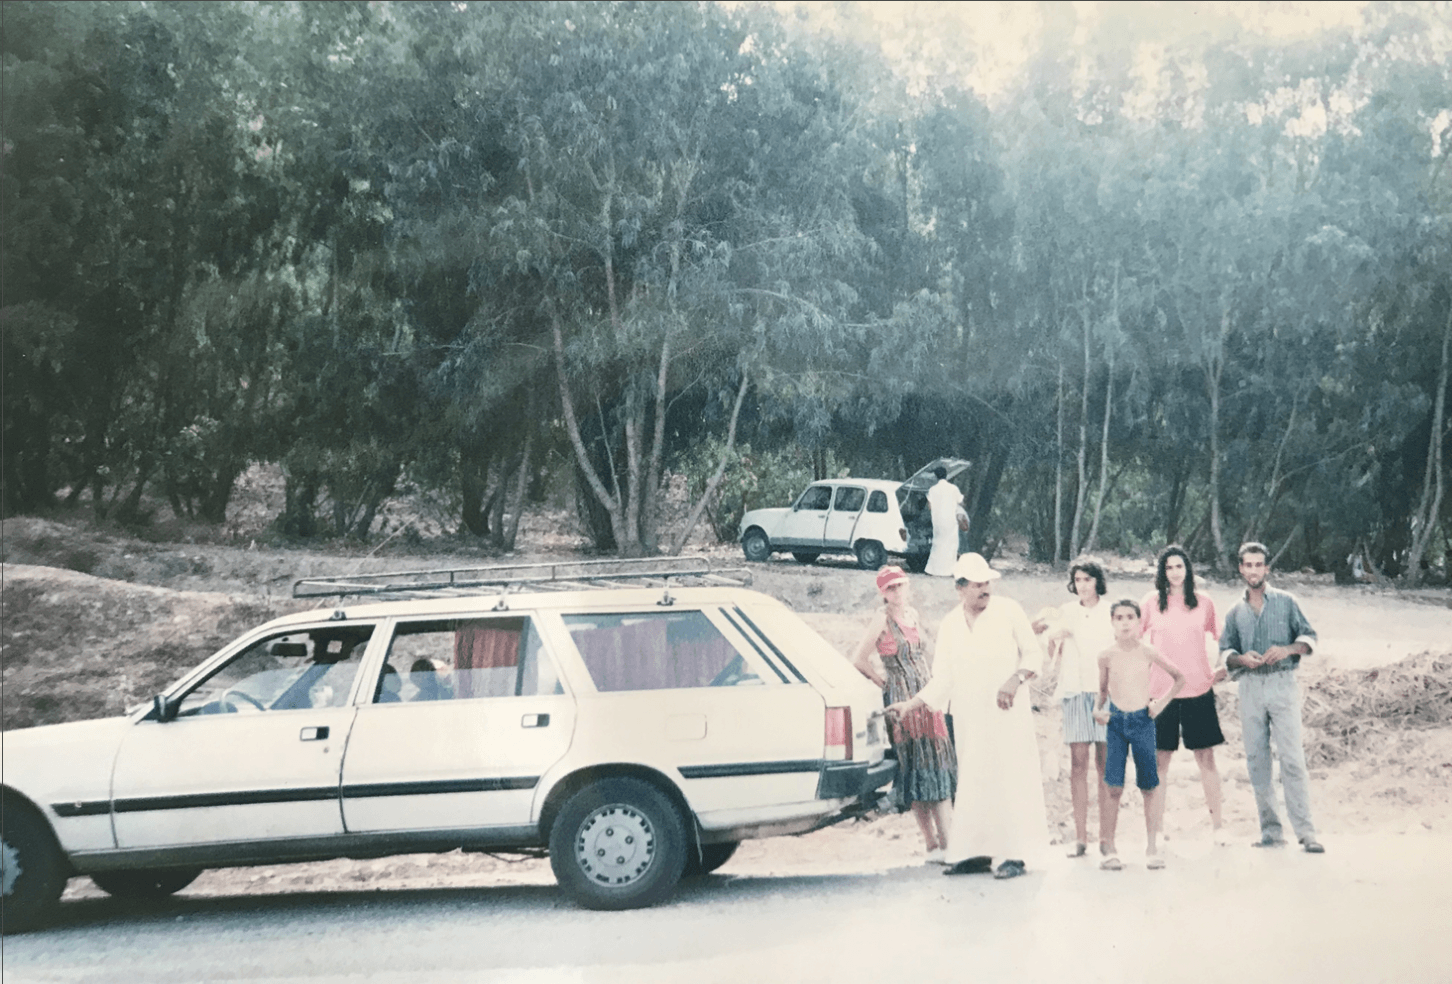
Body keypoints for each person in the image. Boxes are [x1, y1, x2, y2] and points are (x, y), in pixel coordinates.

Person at [887, 553, 1048, 880]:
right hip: (970, 718)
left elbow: (1033, 654)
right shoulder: (950, 624)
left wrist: (1015, 680)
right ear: (960, 588)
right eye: (977, 584)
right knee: (975, 781)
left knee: (1010, 780)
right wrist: (910, 705)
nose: (984, 589)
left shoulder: (1009, 611)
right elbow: (942, 677)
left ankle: (1013, 855)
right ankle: (976, 854)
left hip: (1007, 715)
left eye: (987, 582)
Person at [1221, 542, 1324, 853]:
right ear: (1240, 569)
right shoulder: (1234, 612)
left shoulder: (1287, 602)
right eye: (1247, 565)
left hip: (1282, 685)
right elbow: (1226, 652)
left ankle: (1306, 833)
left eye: (1259, 565)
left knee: (1292, 759)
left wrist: (1288, 650)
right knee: (1257, 761)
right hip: (1250, 688)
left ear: (1267, 568)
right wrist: (1242, 659)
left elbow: (1309, 637)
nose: (1253, 570)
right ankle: (1271, 832)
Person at [850, 566, 956, 863]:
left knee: (938, 761)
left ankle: (948, 841)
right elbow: (859, 659)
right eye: (890, 588)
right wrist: (884, 682)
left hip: (925, 693)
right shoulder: (881, 620)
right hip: (901, 697)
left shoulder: (913, 615)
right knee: (915, 768)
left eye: (900, 586)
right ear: (882, 593)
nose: (896, 592)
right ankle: (933, 844)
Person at [1140, 545, 1227, 843]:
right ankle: (1158, 829)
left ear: (1188, 569)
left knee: (1206, 759)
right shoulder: (1151, 603)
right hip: (1161, 693)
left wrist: (1219, 671)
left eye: (1179, 566)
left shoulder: (1204, 603)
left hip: (1198, 691)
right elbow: (1132, 643)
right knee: (1160, 761)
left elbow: (1224, 642)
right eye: (1168, 568)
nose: (1174, 572)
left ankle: (1218, 829)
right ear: (1161, 573)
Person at [1094, 599, 1185, 871]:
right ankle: (1109, 846)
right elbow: (1101, 693)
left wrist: (1160, 703)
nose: (1124, 622)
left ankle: (1152, 846)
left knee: (1149, 785)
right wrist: (1097, 712)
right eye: (1119, 617)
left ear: (1138, 622)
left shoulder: (1148, 652)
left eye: (1130, 617)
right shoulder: (1105, 655)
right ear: (1112, 622)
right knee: (1113, 786)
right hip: (1116, 723)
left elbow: (1179, 678)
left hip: (1143, 721)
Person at [1033, 557, 1113, 858]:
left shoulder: (1110, 612)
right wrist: (1054, 639)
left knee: (1105, 766)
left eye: (1088, 580)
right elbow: (1053, 653)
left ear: (1097, 582)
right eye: (1078, 580)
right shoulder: (1065, 612)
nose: (1082, 586)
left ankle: (1107, 837)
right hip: (1075, 692)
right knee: (1078, 765)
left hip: (1105, 694)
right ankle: (1080, 837)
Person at [925, 466, 964, 577]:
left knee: (937, 544)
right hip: (950, 521)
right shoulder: (953, 488)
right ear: (946, 475)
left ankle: (933, 570)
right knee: (951, 545)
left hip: (938, 522)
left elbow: (930, 506)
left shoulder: (932, 489)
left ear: (936, 476)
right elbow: (960, 501)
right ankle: (950, 570)